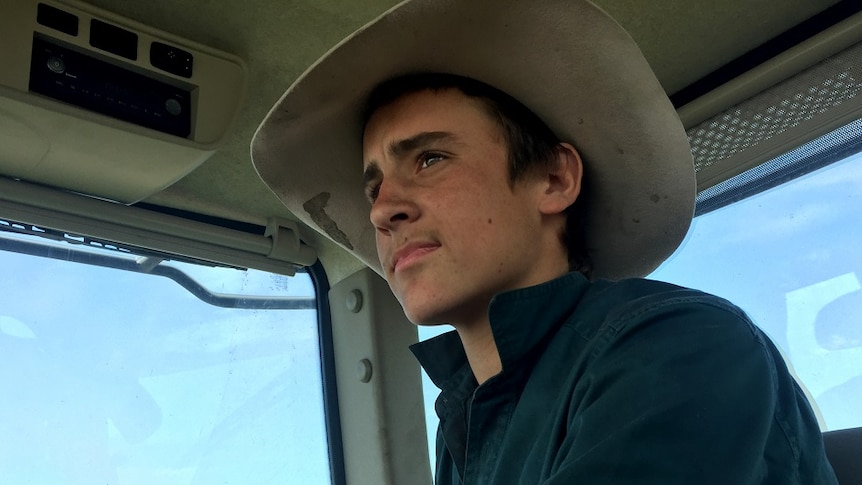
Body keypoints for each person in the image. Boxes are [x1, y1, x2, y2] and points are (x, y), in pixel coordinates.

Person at [251, 0, 839, 483]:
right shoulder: (464, 415)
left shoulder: (680, 341)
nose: (381, 210)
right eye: (373, 186)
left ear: (554, 180)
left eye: (430, 159)